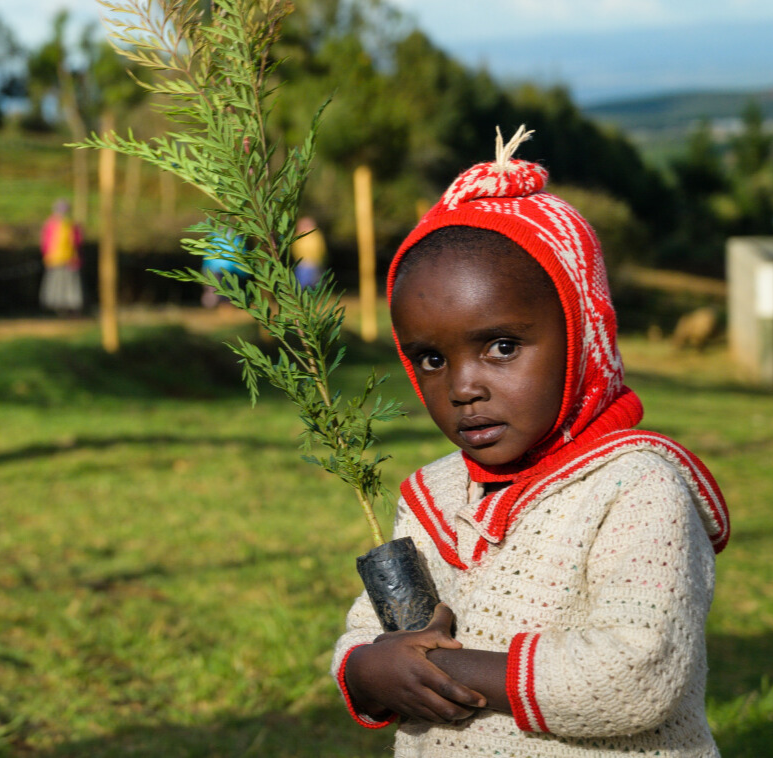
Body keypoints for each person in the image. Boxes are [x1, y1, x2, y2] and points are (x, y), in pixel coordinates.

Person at [331, 126, 730, 757]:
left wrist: (446, 673)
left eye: (502, 347)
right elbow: (368, 629)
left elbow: (641, 674)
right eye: (431, 359)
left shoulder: (635, 489)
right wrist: (366, 670)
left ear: (581, 334)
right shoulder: (435, 494)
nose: (463, 386)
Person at [39, 199, 83, 315]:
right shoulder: (56, 225)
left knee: (68, 283)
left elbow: (77, 242)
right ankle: (57, 306)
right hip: (57, 259)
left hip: (67, 259)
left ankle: (66, 306)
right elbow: (46, 242)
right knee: (58, 282)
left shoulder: (69, 225)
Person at [201, 228, 249, 308]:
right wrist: (244, 272)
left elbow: (207, 254)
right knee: (227, 291)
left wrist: (205, 268)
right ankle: (221, 307)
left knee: (215, 289)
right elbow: (241, 256)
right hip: (227, 270)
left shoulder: (213, 238)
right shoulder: (236, 240)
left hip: (213, 269)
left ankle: (212, 305)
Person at [291, 216, 327, 289]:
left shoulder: (315, 235)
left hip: (313, 262)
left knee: (313, 281)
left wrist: (317, 259)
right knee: (301, 282)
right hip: (301, 263)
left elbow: (320, 248)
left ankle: (310, 295)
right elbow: (295, 248)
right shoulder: (298, 235)